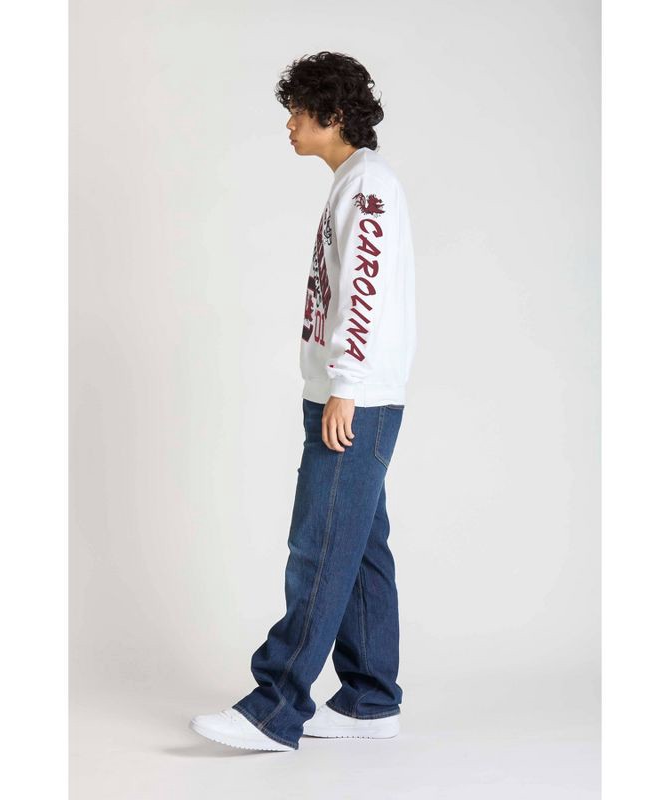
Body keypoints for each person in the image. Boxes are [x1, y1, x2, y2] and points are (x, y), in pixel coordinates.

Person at [189, 51, 417, 751]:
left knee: (318, 549)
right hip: (352, 393)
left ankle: (274, 709)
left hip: (354, 399)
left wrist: (346, 385)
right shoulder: (356, 181)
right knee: (360, 548)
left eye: (298, 113)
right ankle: (370, 701)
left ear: (334, 115)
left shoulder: (367, 186)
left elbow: (365, 292)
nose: (288, 125)